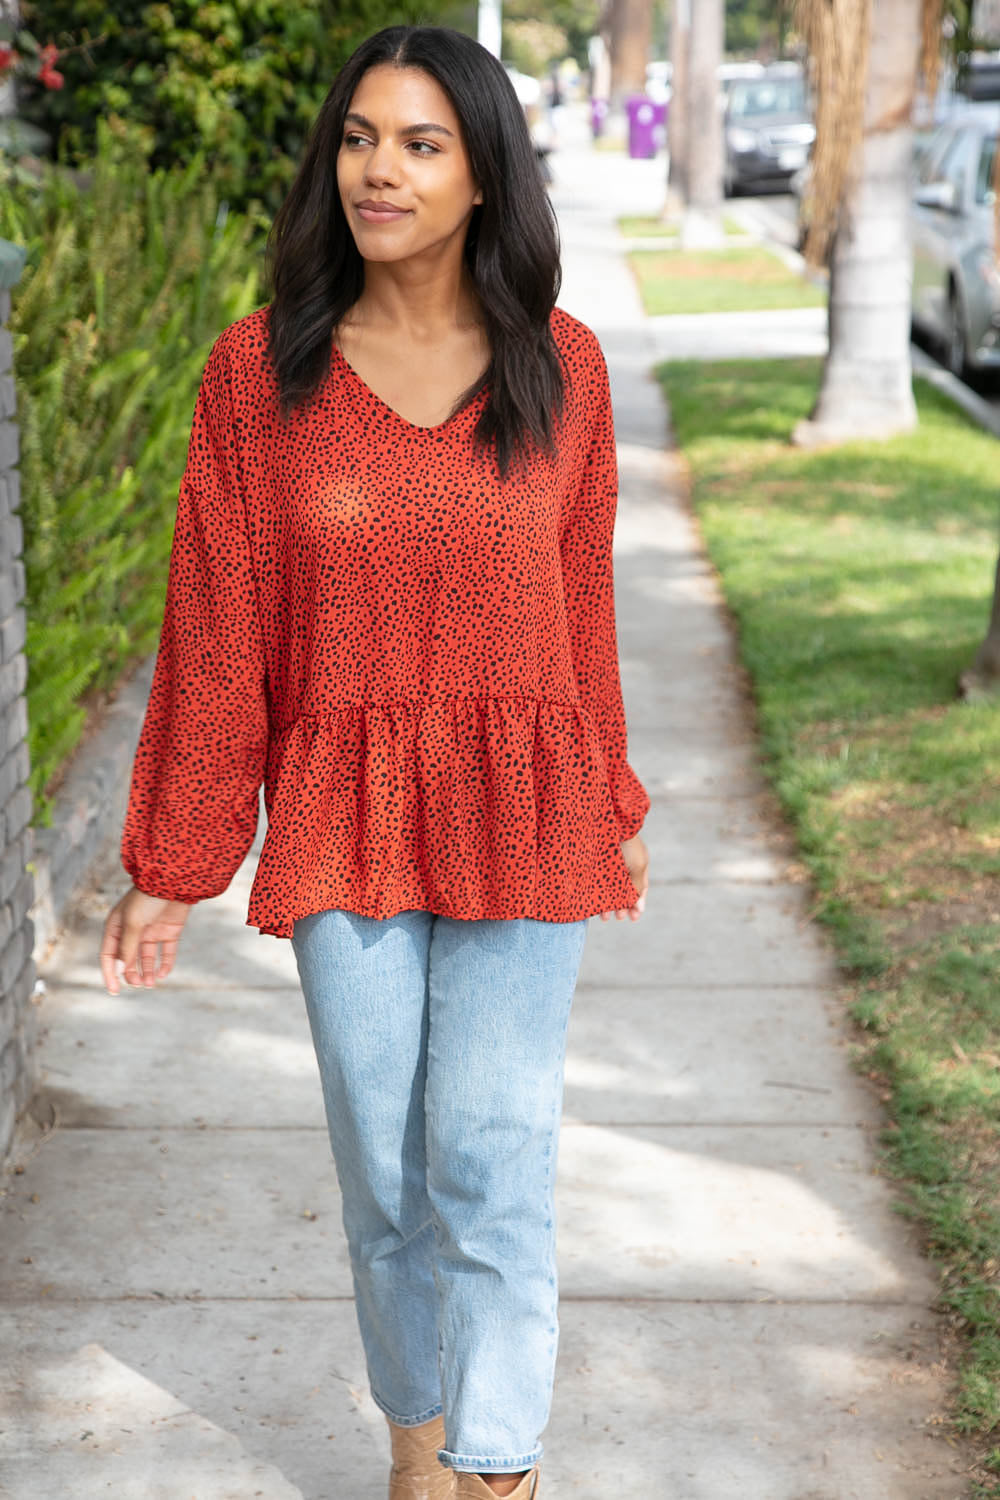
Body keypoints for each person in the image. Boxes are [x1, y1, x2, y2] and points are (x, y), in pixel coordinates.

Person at [99, 24, 650, 1500]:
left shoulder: (563, 368)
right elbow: (219, 630)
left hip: (524, 806)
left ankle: (498, 1467)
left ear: (483, 177)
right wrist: (173, 865)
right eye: (357, 140)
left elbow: (580, 602)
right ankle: (420, 1444)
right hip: (343, 811)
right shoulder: (257, 374)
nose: (379, 172)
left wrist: (609, 794)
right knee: (389, 1174)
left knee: (489, 1153)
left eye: (419, 144)